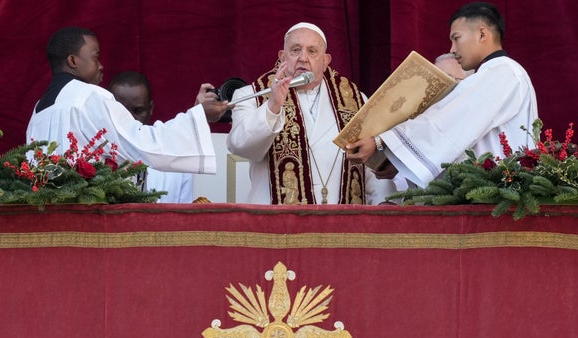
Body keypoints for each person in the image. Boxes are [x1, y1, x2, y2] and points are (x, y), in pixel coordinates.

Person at [346, 2, 538, 189]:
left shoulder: (501, 71)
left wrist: (382, 141)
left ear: (481, 34)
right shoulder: (498, 72)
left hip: (495, 196)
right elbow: (459, 137)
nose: (453, 49)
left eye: (457, 38)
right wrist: (399, 161)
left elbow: (447, 122)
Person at [226, 22, 396, 205]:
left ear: (325, 61)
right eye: (295, 50)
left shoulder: (356, 100)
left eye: (312, 51)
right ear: (282, 57)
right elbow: (241, 146)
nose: (303, 58)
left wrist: (385, 202)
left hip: (342, 225)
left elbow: (369, 161)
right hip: (278, 226)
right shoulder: (251, 96)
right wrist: (272, 107)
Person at [26, 26, 231, 175]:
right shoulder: (89, 95)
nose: (101, 66)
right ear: (73, 61)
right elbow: (140, 145)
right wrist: (199, 115)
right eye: (96, 57)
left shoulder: (39, 110)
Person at [108, 71, 193, 203]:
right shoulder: (93, 156)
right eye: (122, 111)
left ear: (151, 108)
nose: (131, 119)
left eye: (138, 111)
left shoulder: (177, 157)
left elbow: (185, 217)